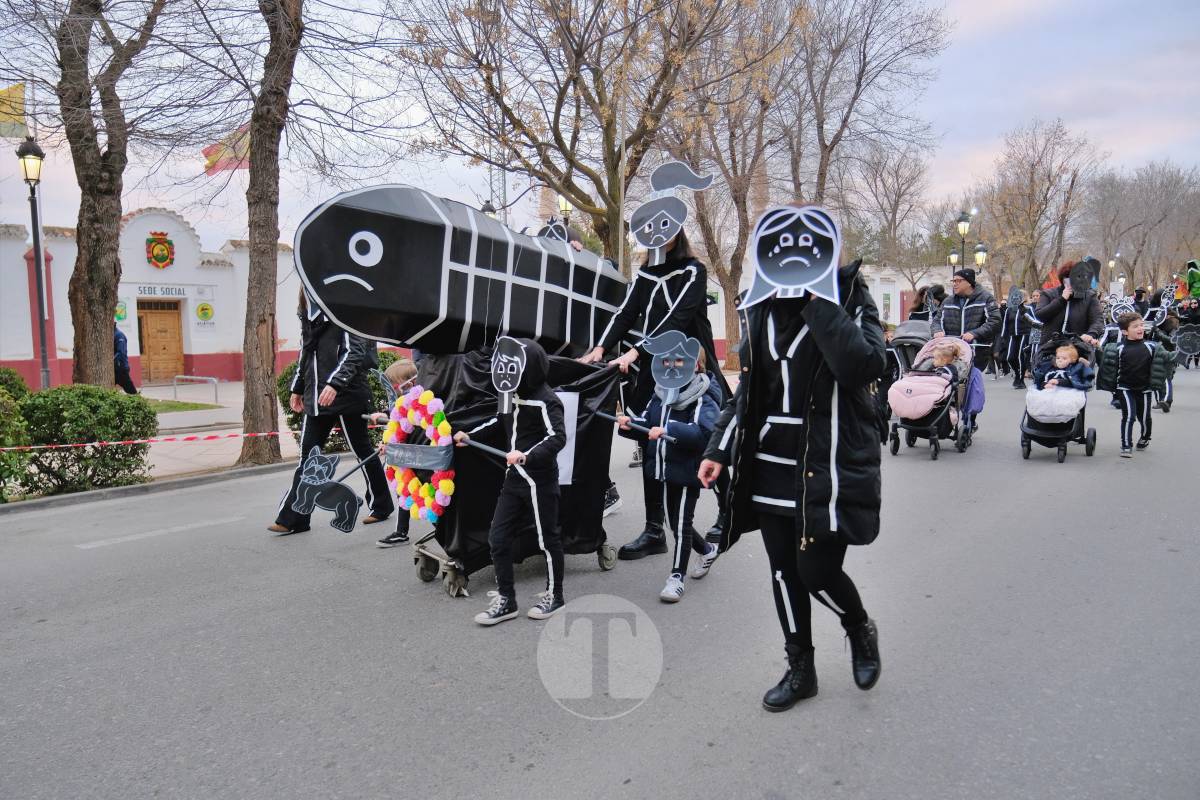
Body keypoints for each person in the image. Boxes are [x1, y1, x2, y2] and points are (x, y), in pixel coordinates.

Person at [698, 254, 886, 713]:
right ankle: (800, 668)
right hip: (769, 462)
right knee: (783, 571)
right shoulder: (760, 304)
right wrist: (718, 448)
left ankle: (858, 625)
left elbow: (864, 365)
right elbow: (749, 389)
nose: (795, 255)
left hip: (826, 462)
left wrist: (821, 298)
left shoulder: (850, 296)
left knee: (816, 571)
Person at [578, 231, 728, 560]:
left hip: (692, 363)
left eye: (666, 228)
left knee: (712, 439)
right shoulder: (646, 273)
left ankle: (728, 514)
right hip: (655, 367)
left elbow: (678, 317)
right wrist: (600, 349)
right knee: (649, 439)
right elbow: (626, 312)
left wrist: (633, 352)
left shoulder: (693, 270)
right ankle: (654, 530)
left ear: (678, 232)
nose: (658, 235)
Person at [455, 338, 567, 625]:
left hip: (539, 481)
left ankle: (555, 595)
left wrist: (527, 456)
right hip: (513, 479)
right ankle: (507, 599)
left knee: (548, 538)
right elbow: (497, 422)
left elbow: (557, 437)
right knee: (498, 537)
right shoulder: (508, 395)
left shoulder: (547, 399)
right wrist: (470, 436)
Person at [270, 291, 394, 535]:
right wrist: (296, 388)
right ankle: (294, 518)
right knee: (307, 457)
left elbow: (354, 351)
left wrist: (335, 383)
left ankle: (381, 505)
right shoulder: (306, 315)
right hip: (316, 399)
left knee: (362, 451)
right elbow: (305, 353)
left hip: (347, 396)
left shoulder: (343, 309)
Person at [617, 343, 721, 602]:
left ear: (696, 366)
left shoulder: (703, 394)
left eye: (679, 362)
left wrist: (668, 430)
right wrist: (630, 425)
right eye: (667, 362)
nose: (671, 367)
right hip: (663, 469)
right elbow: (648, 422)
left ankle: (676, 578)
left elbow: (704, 433)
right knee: (673, 522)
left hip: (688, 471)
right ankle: (707, 551)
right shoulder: (660, 393)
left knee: (682, 524)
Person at [1096, 313, 1174, 458]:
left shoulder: (1151, 346)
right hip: (1125, 388)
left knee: (1144, 418)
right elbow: (1107, 361)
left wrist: (1179, 353)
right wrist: (1096, 347)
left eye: (1141, 325)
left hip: (1145, 389)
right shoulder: (1118, 348)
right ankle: (1126, 445)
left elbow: (1168, 357)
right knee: (1128, 416)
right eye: (1135, 326)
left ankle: (1145, 437)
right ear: (1125, 331)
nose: (1140, 328)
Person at [370, 357, 420, 547]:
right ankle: (401, 531)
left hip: (416, 454)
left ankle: (404, 531)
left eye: (395, 384)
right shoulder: (404, 399)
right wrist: (388, 442)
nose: (393, 388)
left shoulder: (417, 398)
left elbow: (406, 419)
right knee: (403, 490)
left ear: (411, 382)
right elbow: (398, 419)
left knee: (415, 491)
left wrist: (388, 417)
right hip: (403, 453)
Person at [932, 269, 1000, 371]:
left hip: (976, 350)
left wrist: (974, 333)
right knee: (952, 381)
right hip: (951, 351)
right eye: (953, 281)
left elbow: (995, 321)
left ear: (969, 282)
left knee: (971, 380)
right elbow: (936, 321)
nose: (955, 284)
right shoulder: (948, 301)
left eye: (958, 281)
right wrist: (937, 330)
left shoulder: (986, 298)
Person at [1033, 261, 1104, 359]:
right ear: (1063, 280)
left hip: (1079, 347)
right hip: (1051, 347)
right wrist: (1061, 300)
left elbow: (1098, 319)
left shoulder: (1090, 296)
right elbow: (1040, 315)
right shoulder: (1048, 294)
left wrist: (1090, 334)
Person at [113, 325, 137, 395]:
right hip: (114, 368)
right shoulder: (111, 334)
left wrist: (110, 361)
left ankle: (137, 402)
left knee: (131, 392)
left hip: (121, 369)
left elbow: (121, 352)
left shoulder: (119, 335)